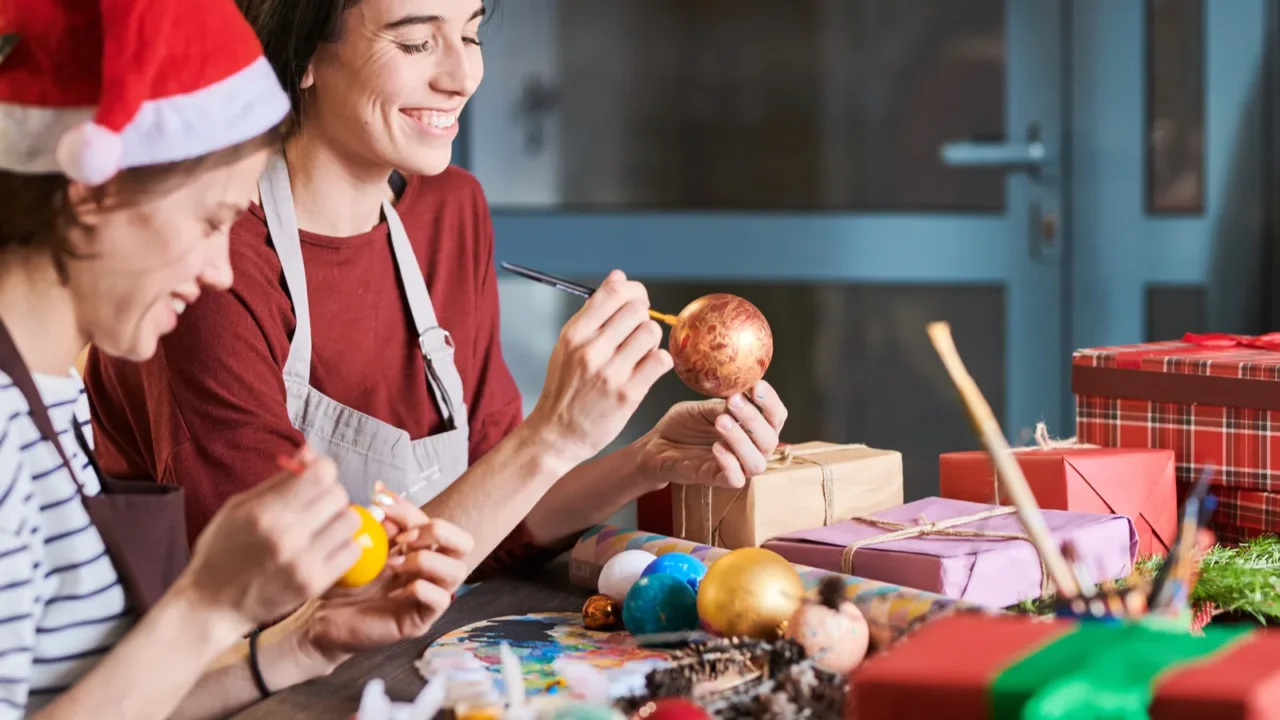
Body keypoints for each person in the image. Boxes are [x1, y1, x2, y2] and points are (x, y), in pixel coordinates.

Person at [82, 0, 790, 580]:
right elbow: (272, 592)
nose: (463, 77)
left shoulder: (451, 211)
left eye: (472, 33)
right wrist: (552, 435)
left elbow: (497, 516)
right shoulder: (208, 257)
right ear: (302, 56)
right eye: (418, 42)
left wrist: (643, 462)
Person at [0, 2, 470, 717]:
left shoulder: (52, 394)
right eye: (210, 220)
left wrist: (301, 640)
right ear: (95, 191)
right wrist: (210, 606)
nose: (222, 269)